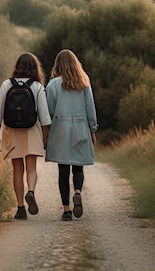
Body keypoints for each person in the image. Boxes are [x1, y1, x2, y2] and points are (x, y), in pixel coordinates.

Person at [0, 52, 51, 220]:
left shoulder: (6, 85)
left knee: (17, 169)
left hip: (11, 130)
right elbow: (45, 117)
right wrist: (45, 137)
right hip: (32, 130)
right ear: (35, 68)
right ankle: (31, 191)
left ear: (17, 67)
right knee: (31, 167)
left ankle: (20, 208)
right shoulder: (38, 87)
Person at [45, 49, 98, 221]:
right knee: (78, 166)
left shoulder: (53, 85)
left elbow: (49, 111)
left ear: (58, 64)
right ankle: (77, 191)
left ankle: (67, 211)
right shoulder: (84, 82)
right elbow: (91, 108)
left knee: (63, 170)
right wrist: (93, 129)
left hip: (60, 128)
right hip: (80, 127)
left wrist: (46, 133)